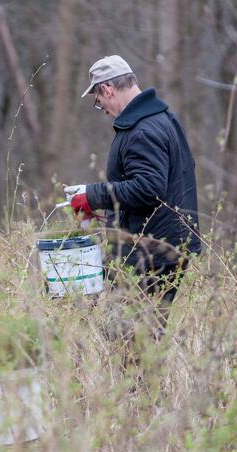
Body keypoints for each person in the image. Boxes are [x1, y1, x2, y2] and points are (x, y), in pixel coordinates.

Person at [65, 55, 202, 324]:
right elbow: (163, 191)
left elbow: (149, 189)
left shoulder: (143, 130)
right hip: (165, 246)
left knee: (127, 341)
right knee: (141, 339)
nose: (102, 109)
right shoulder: (163, 118)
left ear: (107, 89)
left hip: (150, 254)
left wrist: (92, 195)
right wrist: (109, 213)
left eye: (98, 101)